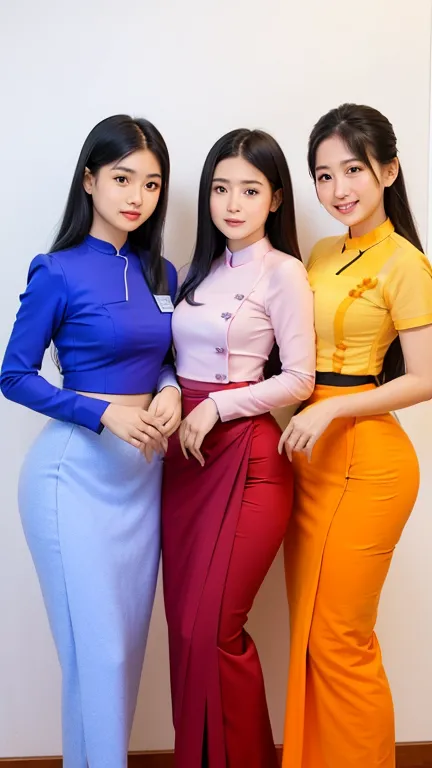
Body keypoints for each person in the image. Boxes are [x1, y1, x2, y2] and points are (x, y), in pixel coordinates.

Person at [0, 114, 181, 768]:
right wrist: (101, 413)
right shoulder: (57, 270)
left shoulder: (164, 272)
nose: (137, 195)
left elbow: (166, 355)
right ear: (89, 180)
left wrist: (169, 390)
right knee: (97, 653)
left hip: (142, 480)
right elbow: (13, 375)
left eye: (152, 183)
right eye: (122, 177)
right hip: (71, 479)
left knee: (122, 653)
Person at [279, 103, 432, 768]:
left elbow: (426, 377)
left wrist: (332, 411)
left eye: (353, 170)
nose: (338, 188)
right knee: (311, 633)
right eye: (323, 174)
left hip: (369, 465)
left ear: (388, 170)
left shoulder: (404, 262)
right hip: (311, 462)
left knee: (341, 637)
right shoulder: (319, 250)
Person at [162, 128, 316, 768]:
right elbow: (170, 355)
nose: (232, 203)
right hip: (184, 462)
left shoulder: (284, 272)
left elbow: (300, 377)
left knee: (215, 630)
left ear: (275, 197)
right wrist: (173, 390)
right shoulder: (198, 270)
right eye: (221, 189)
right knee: (185, 632)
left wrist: (219, 403)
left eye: (250, 190)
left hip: (248, 459)